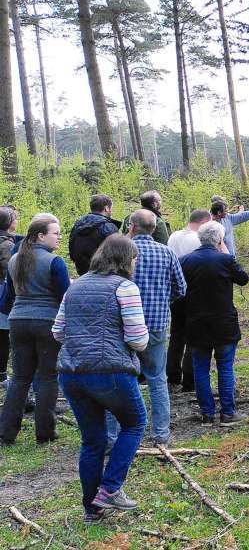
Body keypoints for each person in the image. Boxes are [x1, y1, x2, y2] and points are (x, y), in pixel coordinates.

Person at [53, 234, 149, 523]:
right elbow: (138, 340)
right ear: (124, 260)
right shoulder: (125, 287)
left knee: (92, 441)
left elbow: (57, 332)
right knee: (134, 423)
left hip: (72, 373)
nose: (135, 263)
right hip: (111, 371)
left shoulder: (74, 286)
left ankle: (91, 509)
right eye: (133, 258)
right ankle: (110, 488)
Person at [103, 210, 185, 447]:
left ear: (131, 226)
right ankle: (160, 434)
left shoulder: (118, 250)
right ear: (154, 228)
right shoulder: (166, 252)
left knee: (117, 378)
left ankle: (112, 436)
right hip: (156, 324)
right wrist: (161, 302)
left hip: (121, 325)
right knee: (157, 378)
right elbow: (181, 288)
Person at [0, 215, 70, 445]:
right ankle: (45, 432)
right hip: (47, 322)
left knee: (20, 377)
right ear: (41, 235)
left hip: (18, 321)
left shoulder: (14, 260)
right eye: (56, 233)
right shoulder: (54, 262)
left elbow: (8, 298)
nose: (59, 237)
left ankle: (6, 432)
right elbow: (65, 298)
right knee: (48, 376)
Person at [180, 221, 249, 425]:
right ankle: (228, 412)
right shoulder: (226, 260)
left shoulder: (185, 260)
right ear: (219, 239)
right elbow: (244, 279)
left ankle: (207, 413)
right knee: (225, 367)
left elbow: (178, 289)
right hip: (224, 322)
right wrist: (227, 253)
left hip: (196, 322)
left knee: (200, 368)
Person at [166, 209, 211, 392]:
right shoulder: (197, 240)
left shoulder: (174, 236)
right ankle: (189, 379)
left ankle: (173, 376)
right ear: (203, 222)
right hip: (194, 292)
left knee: (176, 336)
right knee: (194, 337)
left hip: (175, 293)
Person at [69, 194, 122, 276]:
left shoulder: (78, 224)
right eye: (111, 208)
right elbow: (117, 253)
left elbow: (71, 247)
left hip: (82, 272)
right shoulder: (109, 227)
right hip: (104, 273)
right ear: (106, 208)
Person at [0, 206, 18, 386]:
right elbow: (9, 271)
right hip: (1, 291)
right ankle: (2, 375)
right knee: (3, 334)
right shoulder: (7, 245)